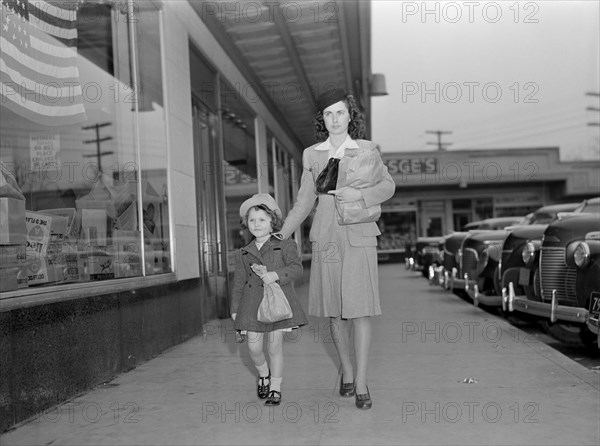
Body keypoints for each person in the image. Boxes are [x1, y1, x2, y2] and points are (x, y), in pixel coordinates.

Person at [276, 88, 395, 410]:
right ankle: (346, 370)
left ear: (350, 115)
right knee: (335, 312)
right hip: (327, 238)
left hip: (359, 236)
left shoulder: (367, 150)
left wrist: (361, 197)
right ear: (322, 119)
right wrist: (281, 235)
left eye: (340, 112)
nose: (334, 119)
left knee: (360, 310)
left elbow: (387, 186)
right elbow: (304, 202)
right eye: (328, 114)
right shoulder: (312, 154)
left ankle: (361, 381)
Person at [230, 193, 308, 406]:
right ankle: (263, 372)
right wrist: (235, 309)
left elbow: (296, 269)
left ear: (273, 221)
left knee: (274, 348)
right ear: (247, 224)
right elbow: (238, 282)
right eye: (252, 220)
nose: (256, 224)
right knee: (254, 348)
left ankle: (275, 387)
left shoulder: (286, 245)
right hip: (251, 305)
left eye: (262, 219)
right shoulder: (243, 253)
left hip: (277, 304)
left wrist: (276, 275)